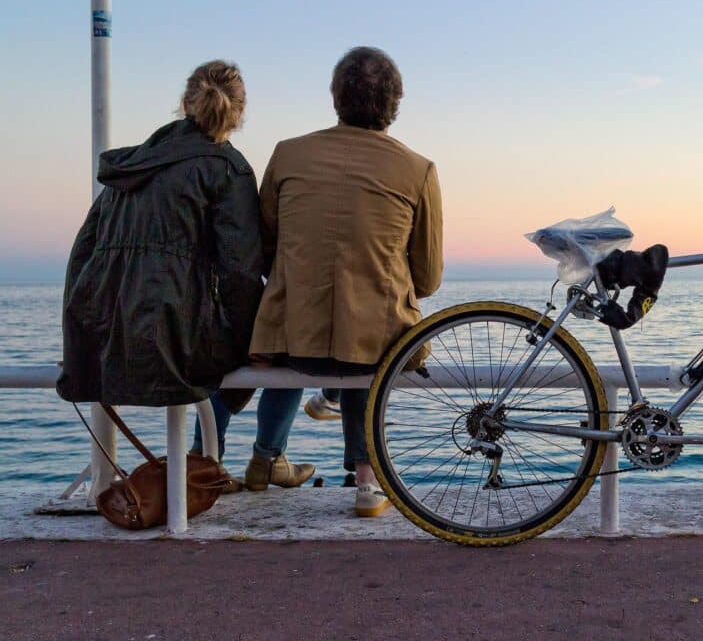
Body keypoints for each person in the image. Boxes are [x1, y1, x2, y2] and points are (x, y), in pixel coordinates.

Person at [230, 46, 443, 513]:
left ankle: (264, 459)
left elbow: (263, 246)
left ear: (335, 98)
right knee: (368, 344)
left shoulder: (288, 155)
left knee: (313, 346)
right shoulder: (418, 169)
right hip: (372, 342)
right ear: (395, 102)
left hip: (290, 336)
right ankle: (367, 483)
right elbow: (427, 278)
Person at [57, 61, 264, 490]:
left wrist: (79, 338)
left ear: (185, 103)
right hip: (176, 342)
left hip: (103, 337)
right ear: (239, 114)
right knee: (276, 346)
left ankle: (205, 461)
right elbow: (240, 275)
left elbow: (83, 255)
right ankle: (225, 461)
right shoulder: (228, 170)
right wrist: (255, 341)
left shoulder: (131, 165)